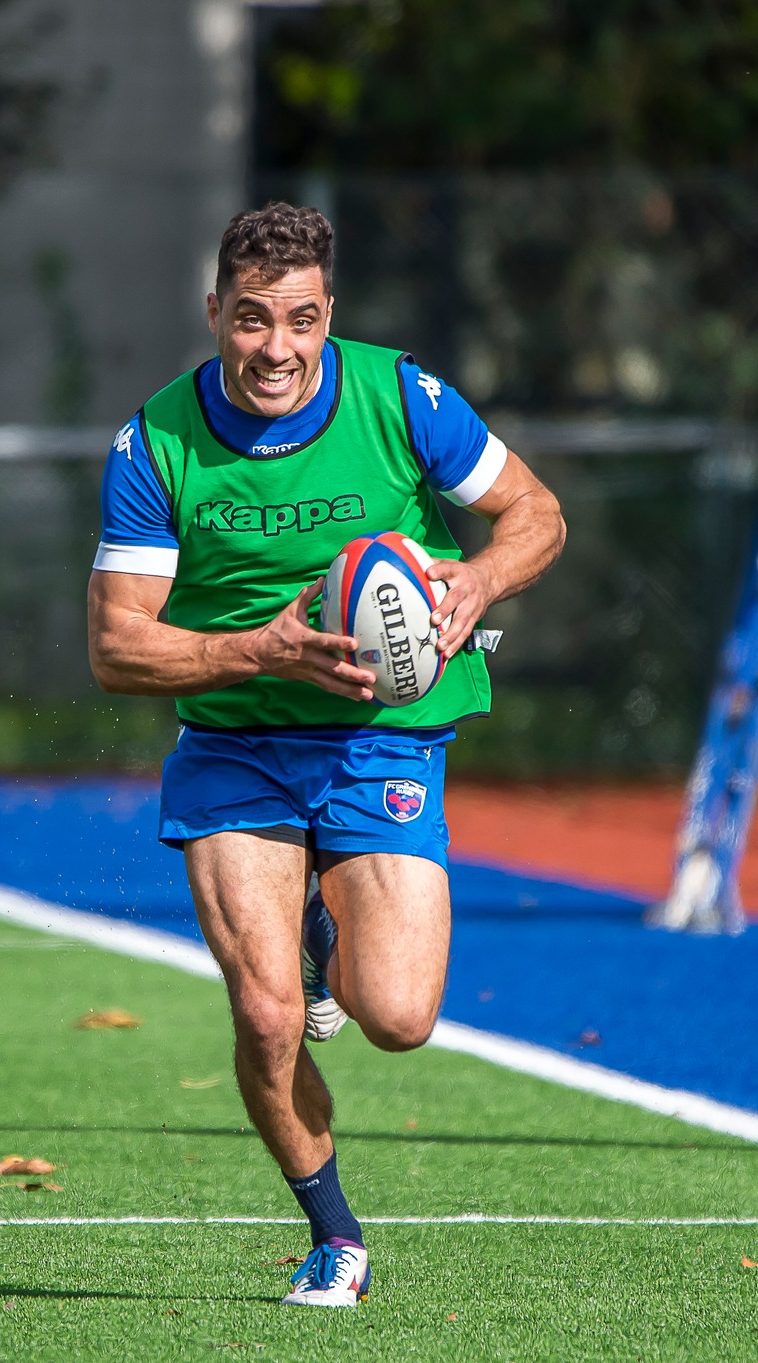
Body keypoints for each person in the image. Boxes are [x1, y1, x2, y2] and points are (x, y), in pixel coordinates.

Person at [86, 203, 566, 1305]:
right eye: (250, 318)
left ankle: (321, 938)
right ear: (214, 312)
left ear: (328, 315)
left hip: (378, 737)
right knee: (262, 1014)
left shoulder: (402, 397)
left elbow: (536, 512)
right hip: (235, 745)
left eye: (299, 320)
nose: (275, 347)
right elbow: (118, 646)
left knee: (395, 1018)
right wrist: (265, 650)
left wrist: (477, 581)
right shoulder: (156, 440)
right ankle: (333, 1234)